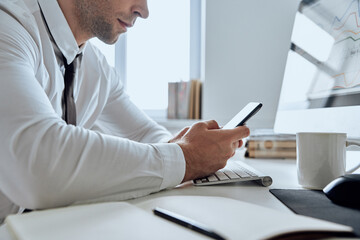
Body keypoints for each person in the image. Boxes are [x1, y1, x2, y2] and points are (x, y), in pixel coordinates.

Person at [0, 0, 249, 223]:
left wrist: (191, 148)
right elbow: (38, 160)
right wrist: (187, 159)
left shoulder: (95, 66)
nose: (144, 10)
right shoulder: (8, 27)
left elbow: (145, 133)